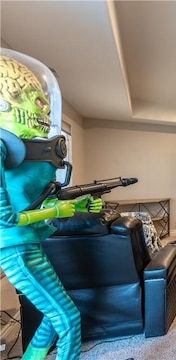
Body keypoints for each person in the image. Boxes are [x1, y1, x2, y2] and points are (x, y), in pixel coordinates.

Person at [0, 48, 102, 360]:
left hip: (31, 244)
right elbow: (7, 219)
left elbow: (42, 196)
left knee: (56, 312)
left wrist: (82, 203)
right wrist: (57, 211)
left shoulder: (23, 152)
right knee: (68, 318)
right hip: (15, 248)